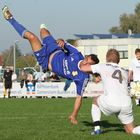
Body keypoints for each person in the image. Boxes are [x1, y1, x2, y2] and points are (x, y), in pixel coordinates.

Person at [2, 6, 99, 124]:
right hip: (55, 48)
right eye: (87, 59)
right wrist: (61, 41)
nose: (85, 62)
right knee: (43, 30)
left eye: (89, 63)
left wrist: (74, 115)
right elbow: (64, 43)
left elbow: (79, 98)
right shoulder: (77, 54)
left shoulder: (82, 78)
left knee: (31, 37)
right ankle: (44, 30)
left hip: (45, 60)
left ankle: (10, 18)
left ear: (91, 67)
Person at [80, 49, 140, 135]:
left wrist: (84, 61)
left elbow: (83, 68)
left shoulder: (102, 66)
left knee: (95, 100)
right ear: (118, 60)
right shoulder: (124, 71)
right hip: (126, 103)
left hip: (112, 101)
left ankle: (97, 129)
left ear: (106, 58)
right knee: (130, 130)